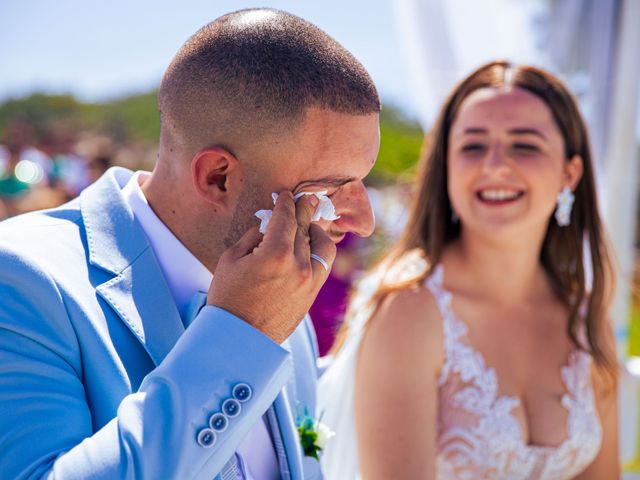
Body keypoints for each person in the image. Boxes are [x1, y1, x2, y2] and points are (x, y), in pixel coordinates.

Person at [0, 8, 380, 480]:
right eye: (327, 191)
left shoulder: (284, 287)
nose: (363, 224)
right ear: (217, 178)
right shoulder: (19, 279)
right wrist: (240, 335)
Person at [319, 60, 619, 479]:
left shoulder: (586, 321)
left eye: (525, 145)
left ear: (570, 174)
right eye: (473, 146)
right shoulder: (409, 311)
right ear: (447, 168)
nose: (495, 165)